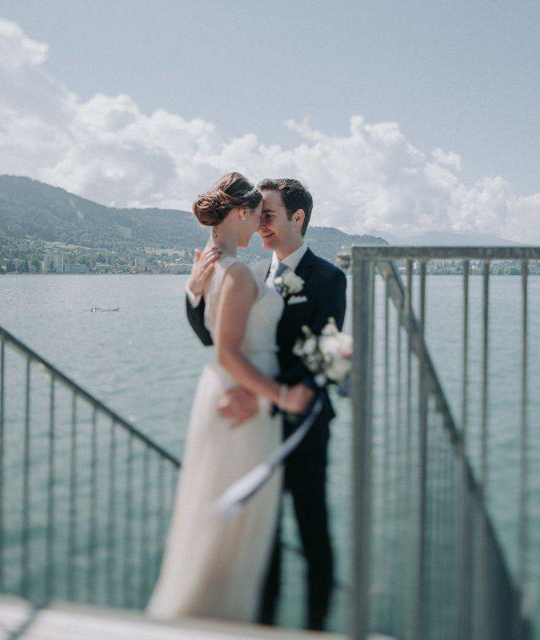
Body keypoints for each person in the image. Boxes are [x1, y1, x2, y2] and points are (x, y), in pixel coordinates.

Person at [184, 178, 346, 631]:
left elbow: (323, 353)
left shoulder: (329, 278)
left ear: (298, 218)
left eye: (269, 216)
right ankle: (264, 625)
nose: (260, 226)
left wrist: (260, 394)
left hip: (302, 424)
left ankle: (317, 626)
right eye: (258, 216)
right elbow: (215, 335)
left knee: (313, 530)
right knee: (262, 537)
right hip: (253, 426)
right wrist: (193, 292)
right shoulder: (251, 272)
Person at [146, 172, 308, 622]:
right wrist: (279, 395)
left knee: (220, 509)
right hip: (242, 401)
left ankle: (218, 614)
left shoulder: (218, 267)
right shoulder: (234, 272)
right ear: (240, 212)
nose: (259, 222)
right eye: (256, 212)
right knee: (237, 516)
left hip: (229, 395)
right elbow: (227, 351)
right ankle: (220, 617)